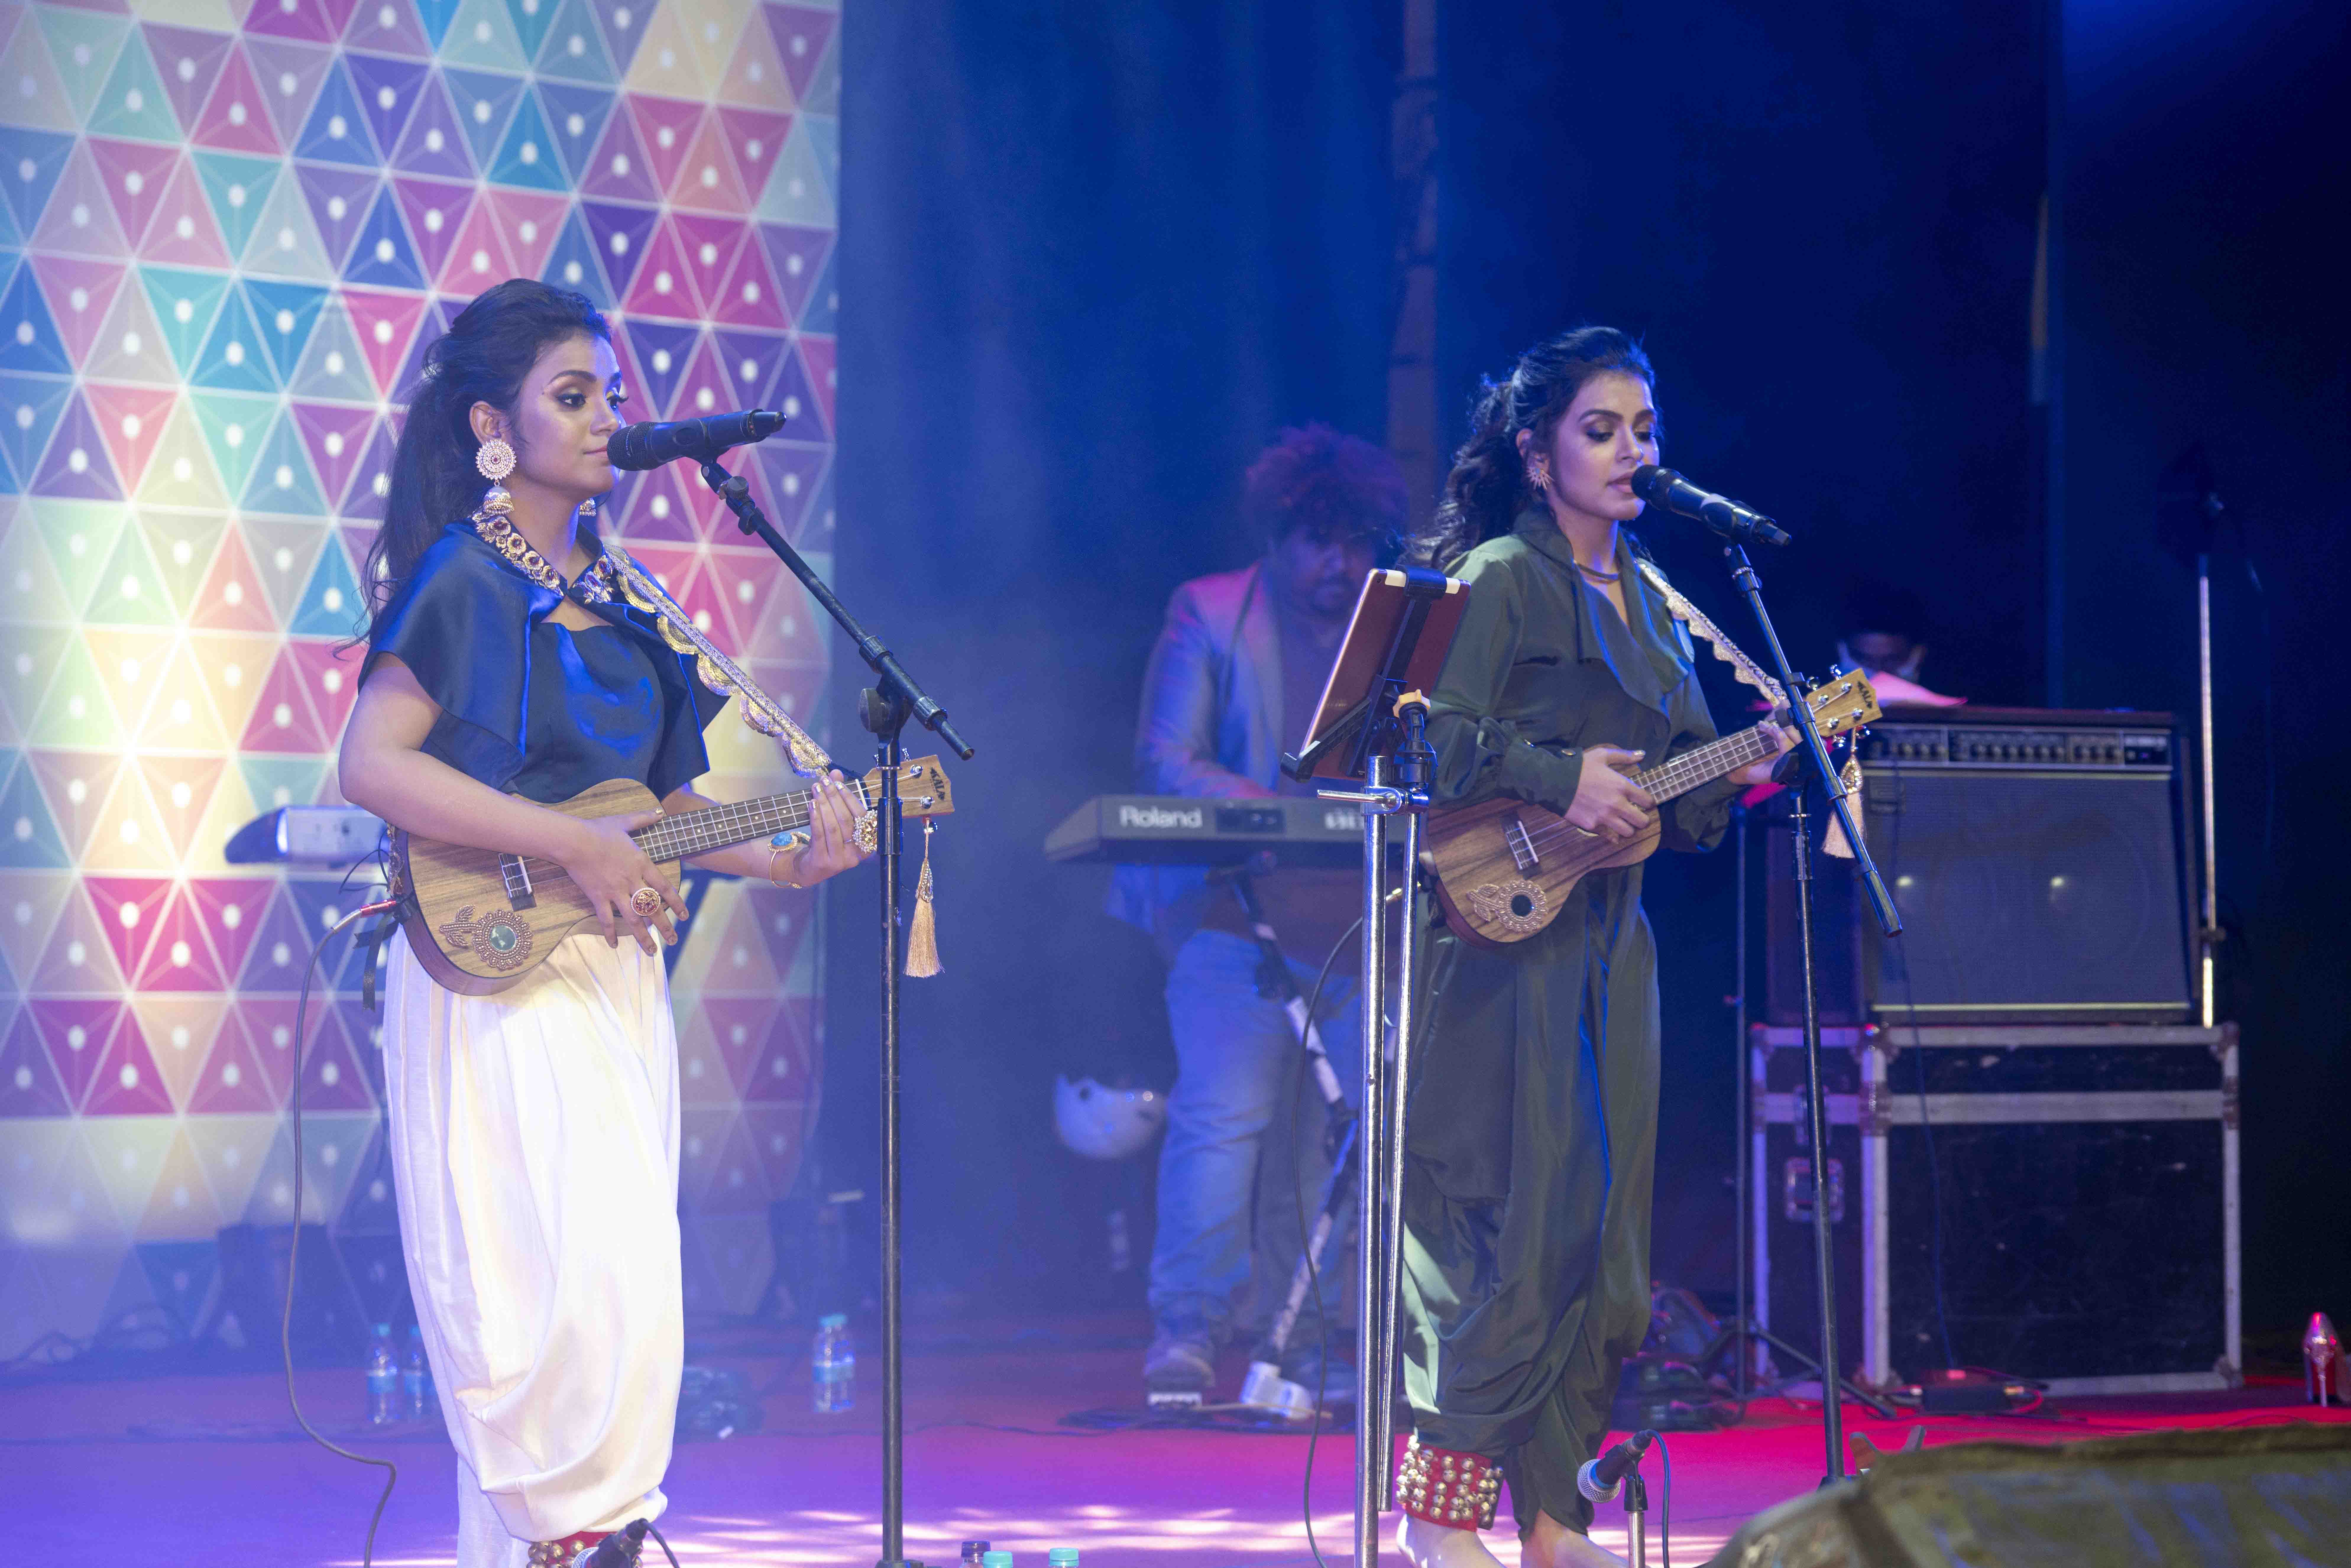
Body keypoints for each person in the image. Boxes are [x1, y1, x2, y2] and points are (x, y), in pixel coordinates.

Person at [336, 279, 869, 1568]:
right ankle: (565, 1537)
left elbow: (668, 815)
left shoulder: (633, 603)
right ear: (492, 428)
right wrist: (572, 841)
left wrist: (797, 854)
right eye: (572, 398)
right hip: (491, 967)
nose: (605, 421)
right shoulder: (463, 579)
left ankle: (595, 1533)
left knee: (627, 1279)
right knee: (539, 1288)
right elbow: (373, 766)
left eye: (612, 398)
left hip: (612, 976)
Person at [1393, 329, 1790, 1568]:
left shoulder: (1660, 603)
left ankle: (1555, 1530)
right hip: (1496, 943)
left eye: (1644, 428)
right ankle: (1438, 1522)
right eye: (1599, 428)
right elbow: (1430, 740)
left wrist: (1751, 768)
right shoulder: (1505, 575)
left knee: (1602, 1249)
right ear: (1534, 449)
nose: (1632, 452)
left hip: (1614, 960)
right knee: (1504, 1234)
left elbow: (1674, 810)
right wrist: (1560, 777)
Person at [1113, 424, 1411, 1401]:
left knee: (1354, 1133)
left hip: (1357, 924)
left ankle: (1316, 1335)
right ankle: (1187, 1333)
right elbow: (1167, 760)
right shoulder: (1209, 611)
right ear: (1277, 540)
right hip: (1233, 916)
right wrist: (1290, 813)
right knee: (1223, 1121)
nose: (1342, 563)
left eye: (1360, 541)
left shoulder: (1393, 631)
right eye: (1321, 541)